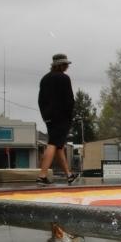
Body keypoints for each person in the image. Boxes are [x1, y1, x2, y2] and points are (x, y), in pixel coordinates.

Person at [37, 53, 78, 185]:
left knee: (59, 146)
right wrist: (70, 115)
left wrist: (45, 116)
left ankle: (69, 175)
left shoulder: (44, 79)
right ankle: (42, 175)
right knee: (54, 143)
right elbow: (69, 100)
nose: (67, 66)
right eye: (66, 64)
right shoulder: (64, 78)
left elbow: (40, 100)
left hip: (48, 117)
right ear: (61, 65)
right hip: (61, 117)